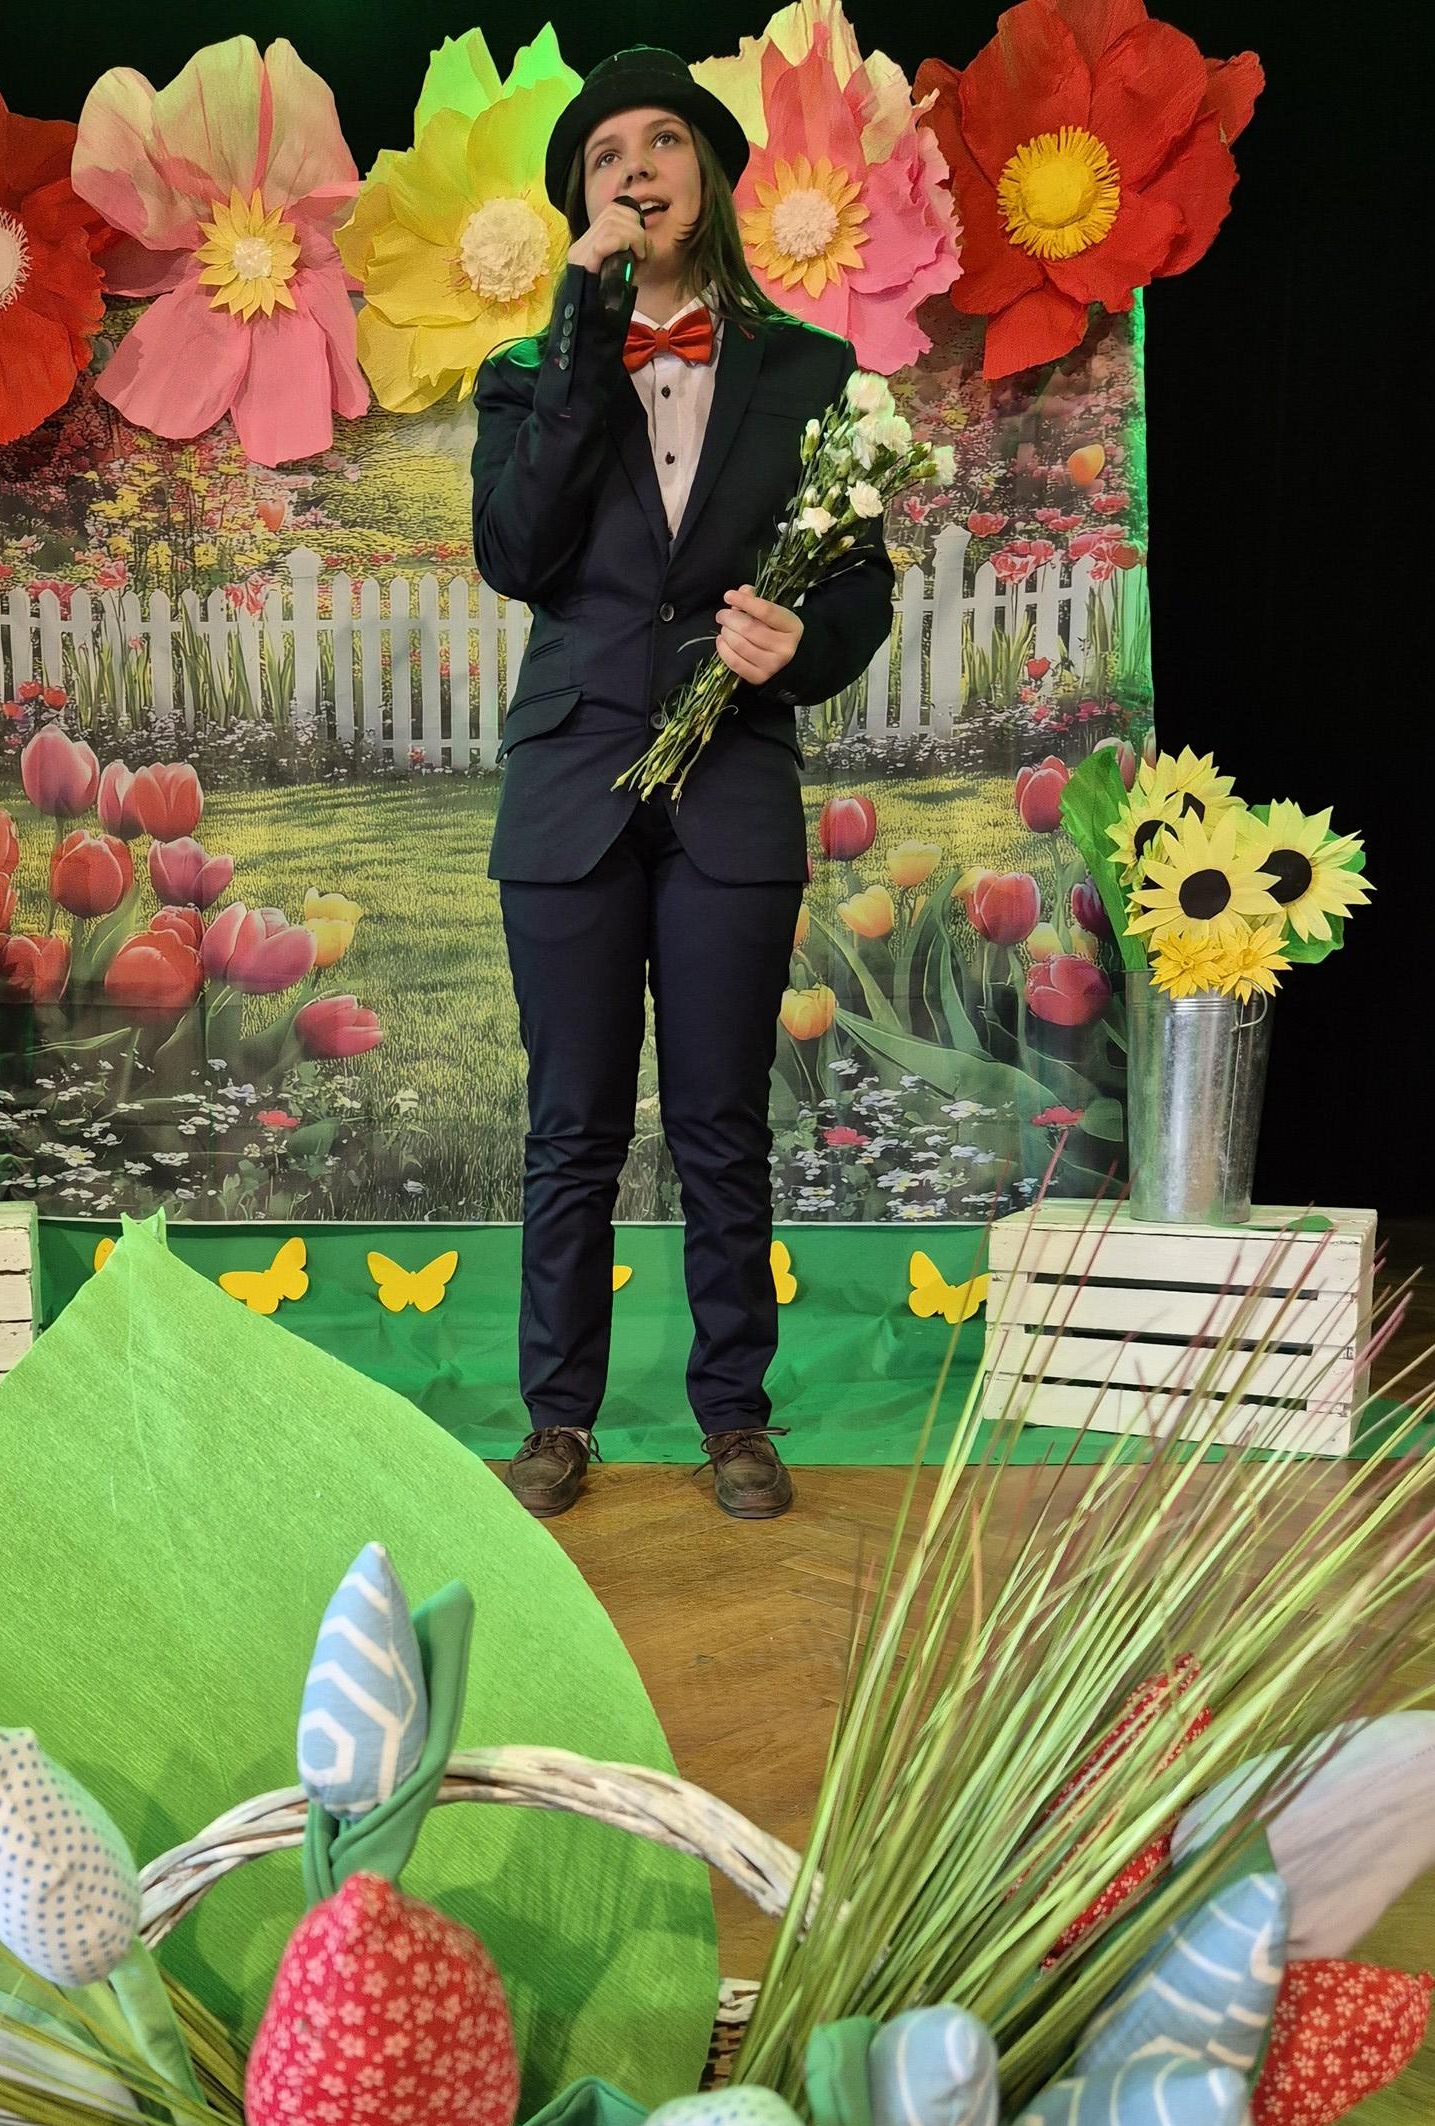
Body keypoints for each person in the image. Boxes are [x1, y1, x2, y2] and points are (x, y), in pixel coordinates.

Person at [470, 47, 896, 1522]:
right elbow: (518, 554)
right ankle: (558, 1420)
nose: (636, 169)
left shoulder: (811, 374)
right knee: (572, 1125)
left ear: (705, 176)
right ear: (584, 203)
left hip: (731, 786)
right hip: (569, 787)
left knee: (722, 1121)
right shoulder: (526, 378)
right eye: (606, 156)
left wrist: (803, 645)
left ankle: (736, 1418)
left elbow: (859, 588)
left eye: (661, 144)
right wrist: (582, 326)